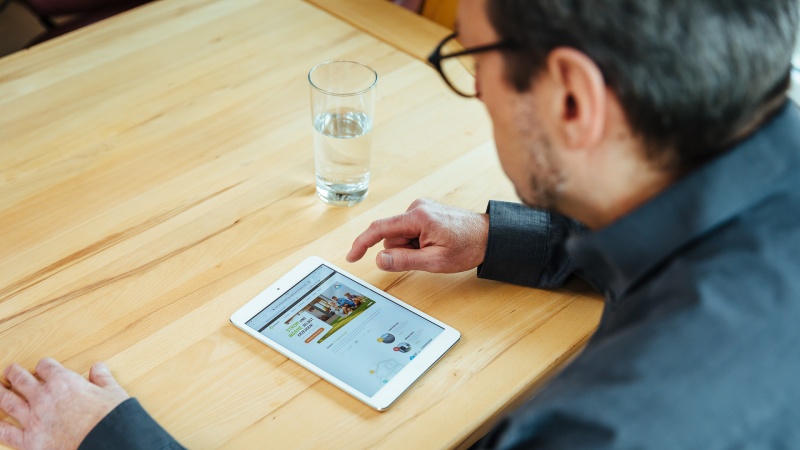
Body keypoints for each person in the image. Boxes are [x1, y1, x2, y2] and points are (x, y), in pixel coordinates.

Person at [2, 0, 799, 448]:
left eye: (472, 60)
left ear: (571, 101)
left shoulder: (595, 430)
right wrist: (510, 237)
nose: (478, 89)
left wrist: (108, 443)